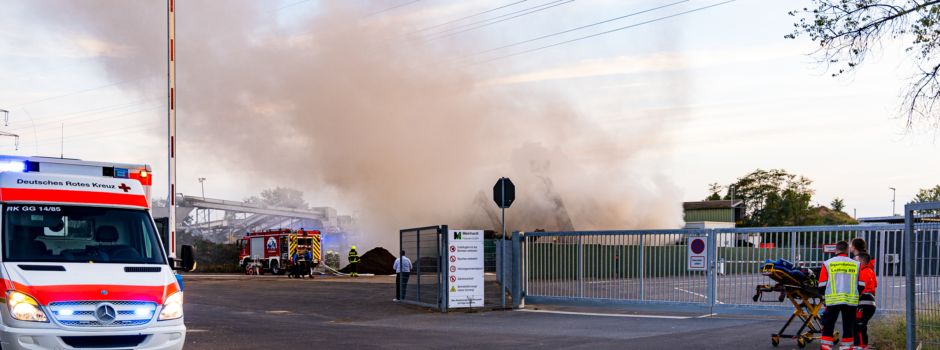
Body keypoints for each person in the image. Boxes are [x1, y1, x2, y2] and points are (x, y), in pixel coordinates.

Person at [818, 241, 865, 350]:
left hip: (833, 299)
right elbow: (861, 285)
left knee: (829, 322)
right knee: (848, 323)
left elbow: (821, 285)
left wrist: (824, 294)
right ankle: (846, 346)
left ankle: (826, 345)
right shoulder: (856, 264)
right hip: (850, 299)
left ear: (836, 250)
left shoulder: (827, 263)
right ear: (847, 250)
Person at [855, 252, 878, 350]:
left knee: (858, 324)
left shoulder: (862, 272)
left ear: (861, 261)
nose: (854, 261)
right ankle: (864, 345)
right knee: (862, 324)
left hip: (863, 302)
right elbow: (874, 286)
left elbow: (860, 287)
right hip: (870, 301)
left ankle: (861, 346)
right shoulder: (870, 271)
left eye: (856, 259)